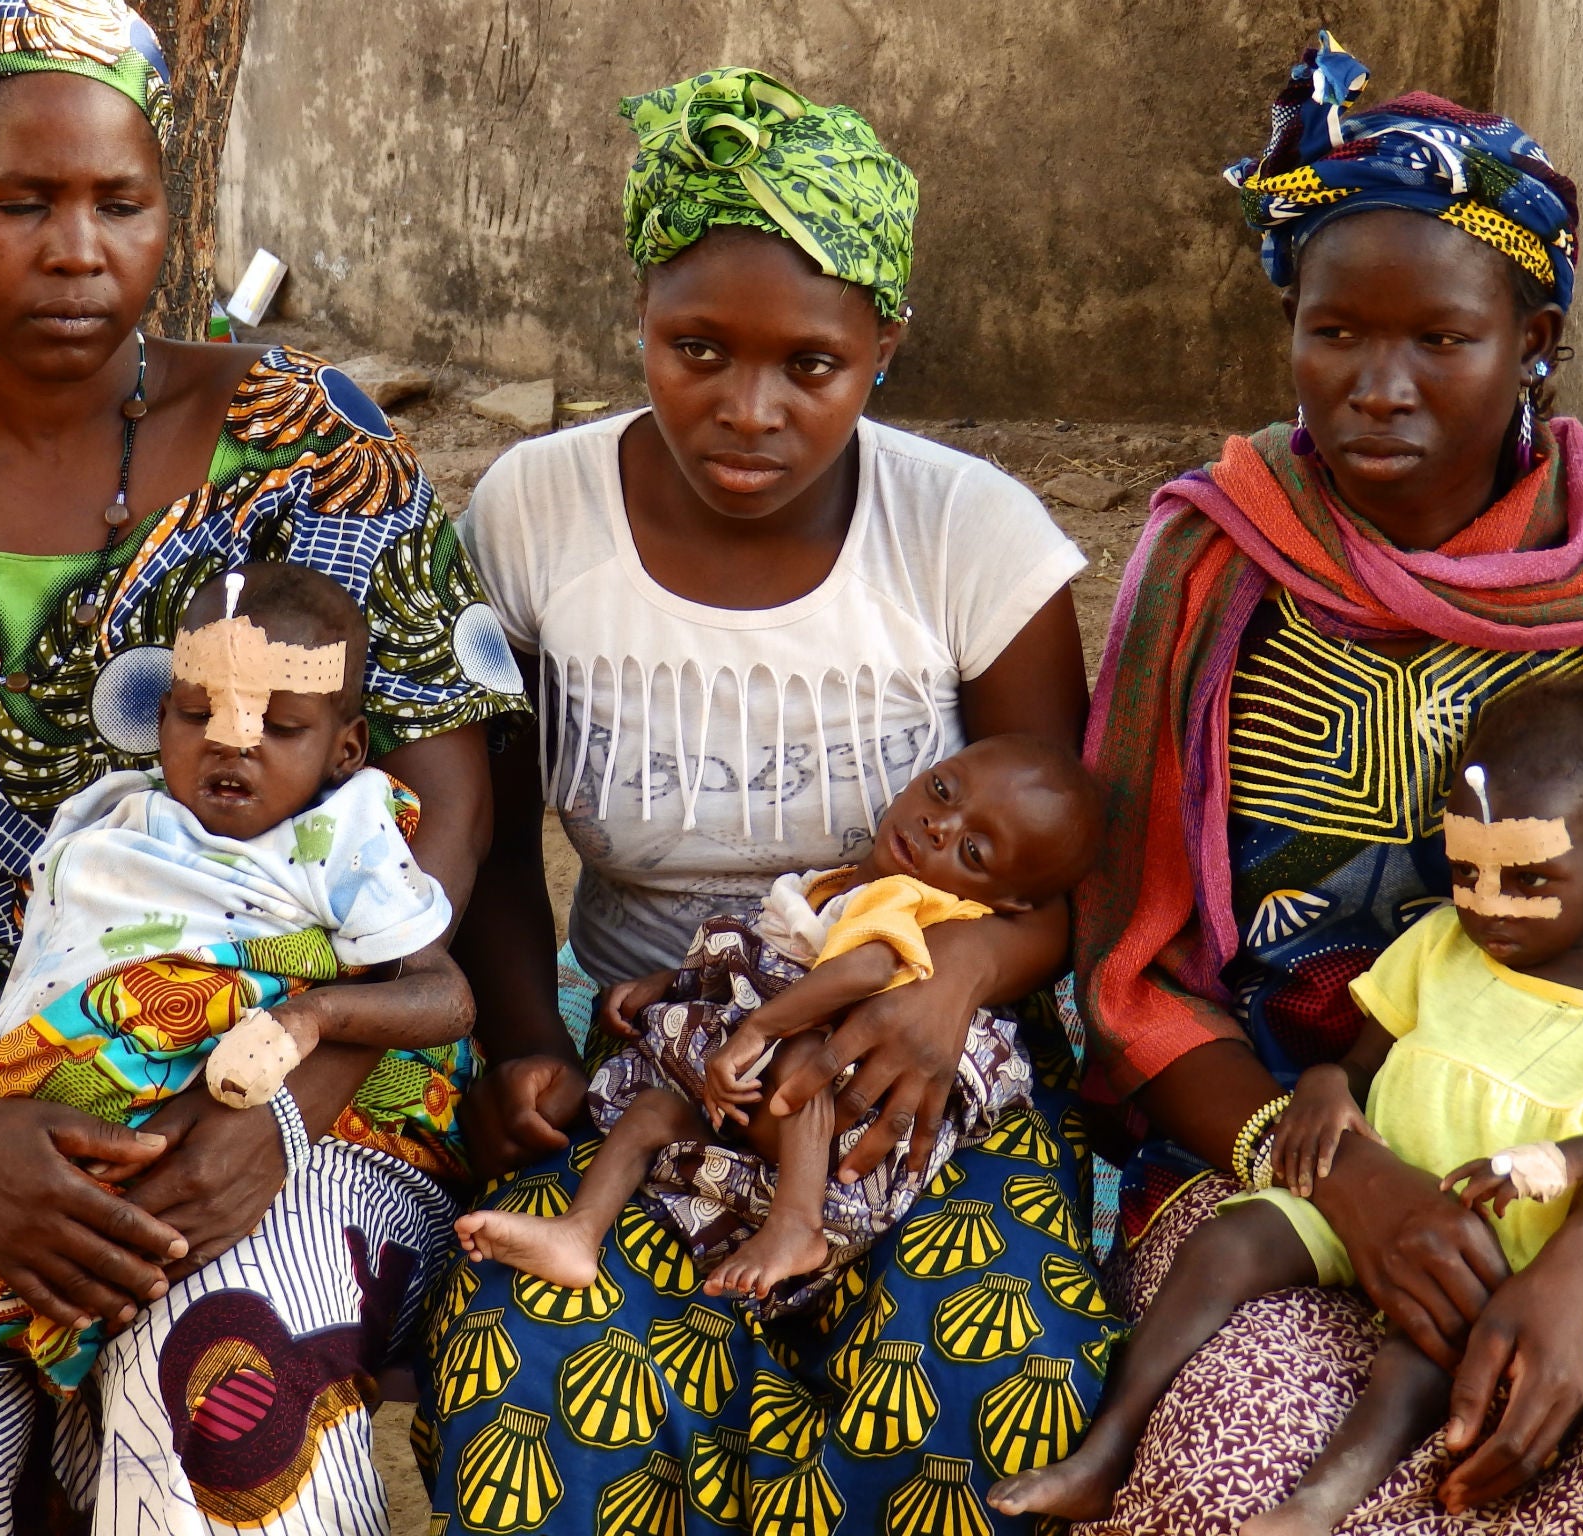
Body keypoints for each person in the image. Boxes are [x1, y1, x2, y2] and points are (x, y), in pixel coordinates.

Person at [0, 5, 525, 1531]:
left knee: (226, 1392)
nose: (78, 252)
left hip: (324, 1083)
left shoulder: (307, 446)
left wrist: (288, 1099)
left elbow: (445, 805)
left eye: (122, 203)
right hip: (4, 1082)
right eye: (20, 204)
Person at [1072, 33, 1583, 1534]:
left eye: (1441, 342)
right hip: (1273, 1159)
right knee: (1222, 1486)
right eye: (1334, 334)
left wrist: (1579, 1265)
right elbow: (1128, 970)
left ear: (1536, 342)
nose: (1376, 387)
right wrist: (1349, 1185)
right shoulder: (1213, 565)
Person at [437, 66, 1104, 1535]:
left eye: (811, 365)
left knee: (1000, 1395)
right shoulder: (537, 513)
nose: (749, 410)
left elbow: (1066, 865)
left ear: (885, 346)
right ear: (640, 321)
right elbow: (482, 836)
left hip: (918, 1077)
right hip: (655, 1075)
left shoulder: (970, 535)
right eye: (697, 349)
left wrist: (964, 979)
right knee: (532, 1406)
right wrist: (529, 1046)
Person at [1001, 681, 1583, 1530]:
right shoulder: (1444, 946)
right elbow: (1361, 1058)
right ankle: (1107, 1449)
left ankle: (1317, 1505)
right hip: (1367, 1192)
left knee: (1418, 1359)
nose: (1491, 903)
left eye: (1529, 879)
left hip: (1494, 1249)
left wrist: (1577, 1161)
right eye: (1468, 872)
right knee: (1227, 1243)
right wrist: (1321, 1087)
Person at [0, 562, 475, 1402]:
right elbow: (54, 970)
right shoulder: (110, 819)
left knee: (116, 1218)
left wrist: (312, 1021)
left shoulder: (341, 833)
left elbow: (444, 996)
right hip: (27, 1087)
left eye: (280, 727)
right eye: (200, 715)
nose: (233, 742)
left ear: (345, 748)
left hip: (184, 1098)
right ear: (161, 721)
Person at [454, 735, 1105, 1310]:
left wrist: (760, 1030)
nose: (939, 825)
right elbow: (760, 954)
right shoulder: (840, 884)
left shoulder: (909, 899)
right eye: (942, 789)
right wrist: (675, 984)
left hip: (848, 1120)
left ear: (1013, 901)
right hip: (766, 1126)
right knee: (650, 1116)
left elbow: (863, 973)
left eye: (973, 849)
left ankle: (797, 1221)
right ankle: (576, 1234)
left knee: (801, 1052)